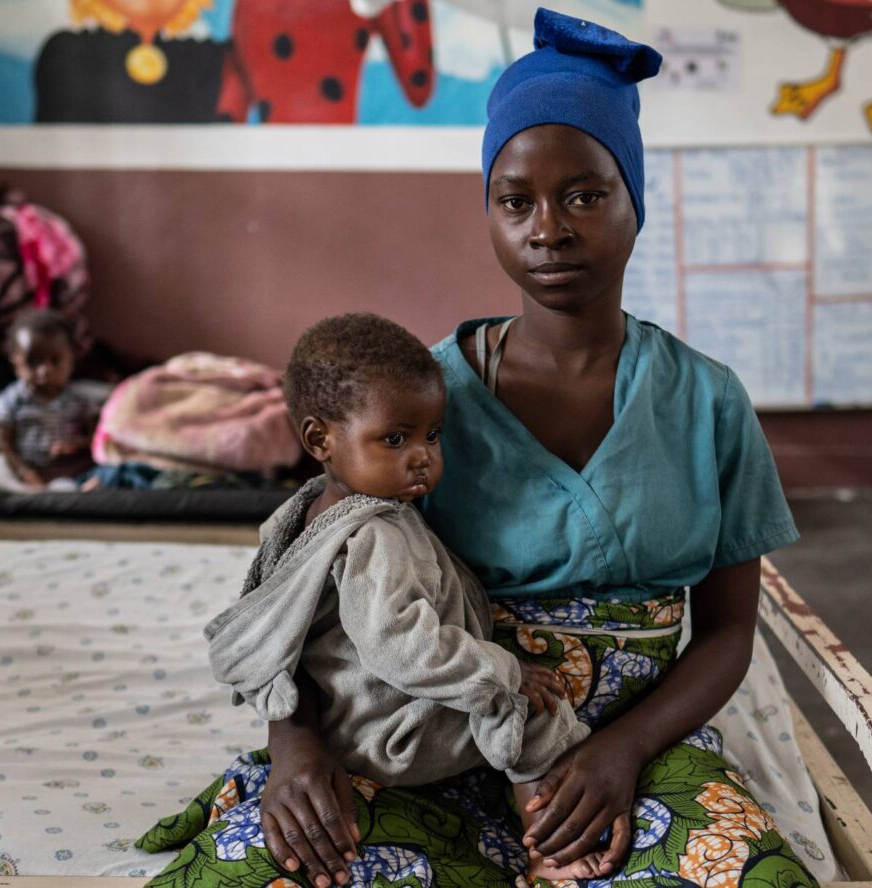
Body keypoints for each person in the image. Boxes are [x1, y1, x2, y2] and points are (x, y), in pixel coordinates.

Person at [136, 9, 819, 888]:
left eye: (585, 194)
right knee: (273, 871)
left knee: (748, 876)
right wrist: (294, 740)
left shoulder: (707, 402)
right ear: (490, 215)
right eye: (516, 201)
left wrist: (618, 754)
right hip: (426, 741)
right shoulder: (414, 401)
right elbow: (307, 583)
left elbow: (728, 632)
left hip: (631, 754)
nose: (549, 228)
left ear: (634, 200)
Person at [204, 313, 595, 877]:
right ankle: (547, 846)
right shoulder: (377, 536)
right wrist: (502, 670)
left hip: (346, 716)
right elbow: (401, 648)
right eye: (394, 438)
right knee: (534, 708)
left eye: (432, 435)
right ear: (320, 439)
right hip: (393, 735)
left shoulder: (304, 511)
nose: (422, 456)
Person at [0, 309, 95, 488]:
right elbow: (2, 443)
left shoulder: (79, 402)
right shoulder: (12, 400)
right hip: (29, 470)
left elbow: (97, 437)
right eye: (33, 362)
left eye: (55, 361)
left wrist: (77, 444)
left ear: (72, 360)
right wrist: (22, 471)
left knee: (102, 473)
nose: (45, 371)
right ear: (16, 362)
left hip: (70, 469)